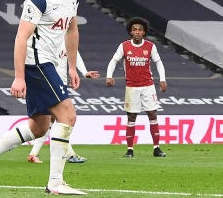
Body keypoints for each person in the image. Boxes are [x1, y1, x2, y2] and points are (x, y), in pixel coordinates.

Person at [0, 0, 86, 195]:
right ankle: (55, 182)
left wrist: (72, 66)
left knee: (39, 127)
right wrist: (19, 77)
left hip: (55, 64)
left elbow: (72, 29)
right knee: (68, 115)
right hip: (37, 63)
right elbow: (20, 38)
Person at [105, 16, 169, 158]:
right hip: (131, 87)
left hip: (148, 86)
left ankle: (157, 148)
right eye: (135, 30)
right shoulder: (124, 46)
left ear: (144, 32)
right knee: (131, 117)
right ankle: (130, 149)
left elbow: (159, 62)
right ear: (131, 32)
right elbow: (113, 61)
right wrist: (109, 76)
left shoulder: (150, 46)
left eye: (140, 30)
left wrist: (162, 79)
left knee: (152, 114)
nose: (138, 32)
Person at [27, 49, 99, 164]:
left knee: (53, 120)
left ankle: (34, 153)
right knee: (62, 118)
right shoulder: (48, 40)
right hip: (50, 82)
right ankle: (69, 154)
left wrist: (84, 72)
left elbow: (74, 54)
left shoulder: (65, 39)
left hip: (60, 83)